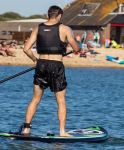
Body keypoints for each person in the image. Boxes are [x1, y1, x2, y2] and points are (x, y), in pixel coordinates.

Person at [22, 5, 81, 137]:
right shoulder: (64, 29)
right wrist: (79, 48)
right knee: (60, 100)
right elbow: (76, 48)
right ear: (60, 16)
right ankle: (62, 131)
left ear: (48, 15)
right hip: (56, 66)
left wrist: (35, 60)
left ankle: (26, 129)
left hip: (41, 65)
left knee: (35, 99)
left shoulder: (38, 28)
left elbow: (26, 49)